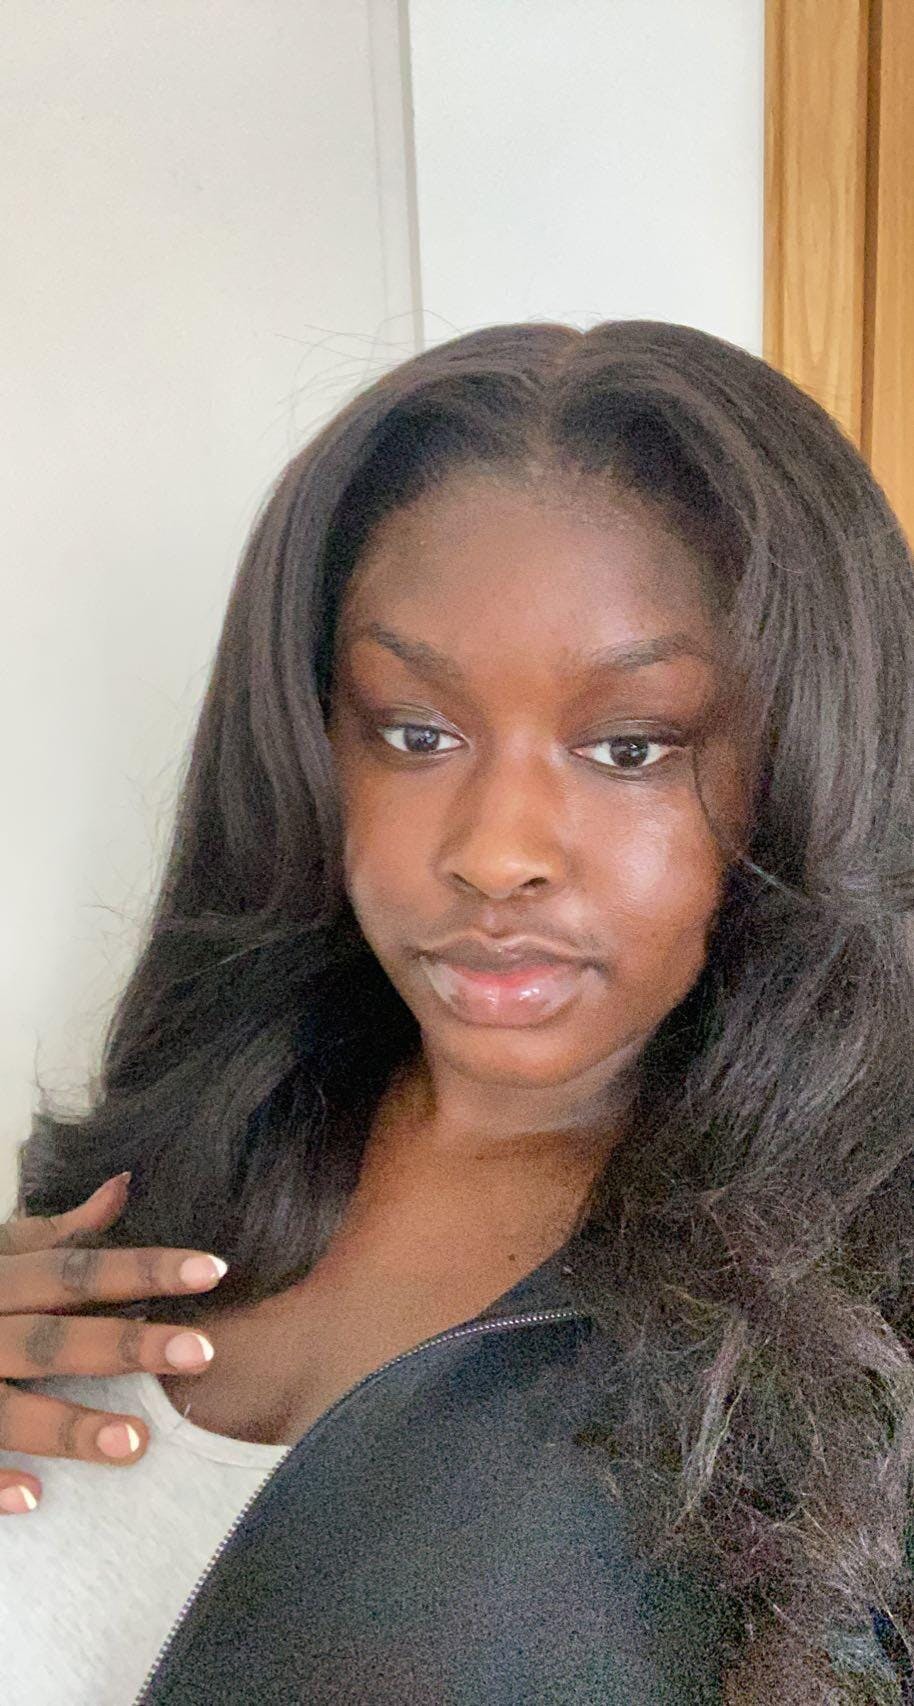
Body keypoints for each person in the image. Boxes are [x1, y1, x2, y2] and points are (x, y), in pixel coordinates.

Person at [1, 318, 913, 1704]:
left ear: (808, 773)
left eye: (630, 747)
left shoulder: (862, 1325)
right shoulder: (168, 1166)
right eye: (415, 732)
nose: (495, 853)